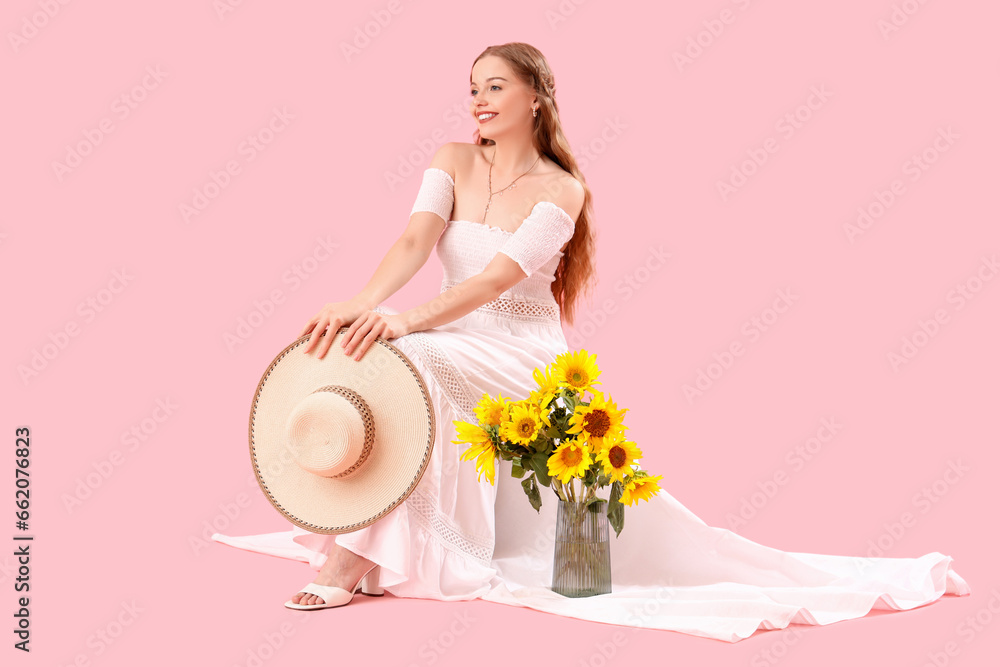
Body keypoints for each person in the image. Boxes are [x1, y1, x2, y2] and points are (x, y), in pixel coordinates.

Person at [212, 42, 969, 641]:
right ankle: (380, 544)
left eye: (494, 85)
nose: (477, 98)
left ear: (535, 96)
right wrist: (364, 300)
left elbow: (495, 280)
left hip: (519, 351)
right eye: (472, 85)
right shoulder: (449, 160)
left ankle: (351, 556)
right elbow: (414, 240)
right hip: (451, 331)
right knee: (391, 365)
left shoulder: (560, 189)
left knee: (413, 359)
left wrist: (410, 319)